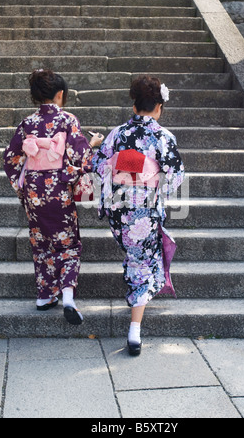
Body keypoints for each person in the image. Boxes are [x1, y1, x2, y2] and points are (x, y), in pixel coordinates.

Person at [92, 75, 185, 355]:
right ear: (159, 107)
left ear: (134, 106)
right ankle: (134, 331)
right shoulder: (163, 137)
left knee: (137, 258)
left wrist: (101, 151)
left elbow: (98, 166)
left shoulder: (117, 134)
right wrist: (154, 183)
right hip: (145, 208)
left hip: (120, 210)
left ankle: (139, 298)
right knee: (141, 264)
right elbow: (175, 176)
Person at [3, 69, 104, 325]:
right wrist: (89, 150)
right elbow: (81, 157)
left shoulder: (27, 123)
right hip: (59, 188)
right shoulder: (68, 120)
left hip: (35, 191)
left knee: (41, 241)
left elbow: (10, 159)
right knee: (67, 242)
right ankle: (68, 296)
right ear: (60, 94)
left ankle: (45, 296)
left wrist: (22, 188)